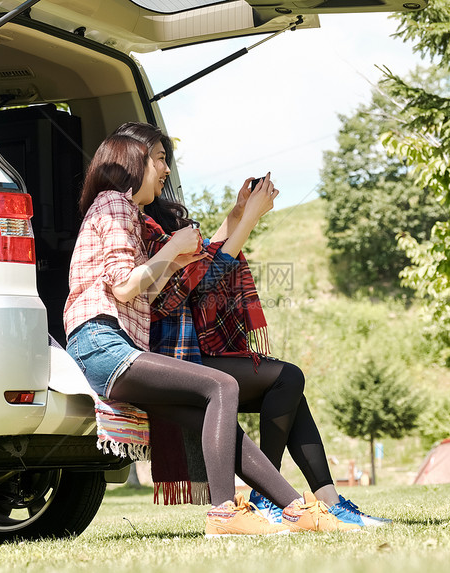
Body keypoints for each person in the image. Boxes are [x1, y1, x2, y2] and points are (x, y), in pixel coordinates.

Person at [64, 132, 362, 537]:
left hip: (116, 346)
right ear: (134, 160)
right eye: (159, 159)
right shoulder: (116, 203)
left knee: (215, 408)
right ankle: (225, 514)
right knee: (222, 386)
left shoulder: (132, 214)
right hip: (103, 344)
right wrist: (175, 249)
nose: (166, 169)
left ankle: (295, 509)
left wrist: (216, 230)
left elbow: (153, 291)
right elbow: (123, 287)